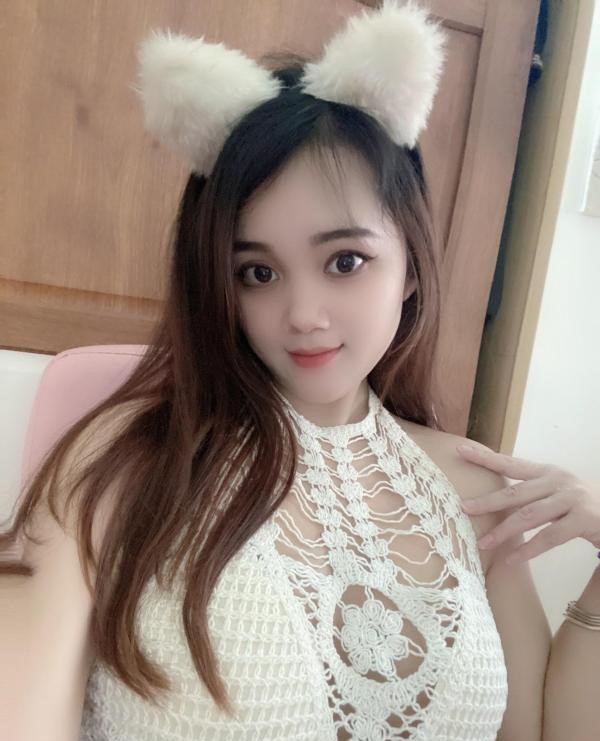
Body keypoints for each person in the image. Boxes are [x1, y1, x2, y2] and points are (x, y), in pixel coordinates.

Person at [1, 2, 599, 740]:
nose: (303, 314)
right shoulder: (130, 460)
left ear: (411, 267)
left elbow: (537, 732)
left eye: (345, 261)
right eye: (257, 272)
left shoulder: (474, 487)